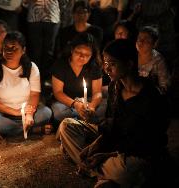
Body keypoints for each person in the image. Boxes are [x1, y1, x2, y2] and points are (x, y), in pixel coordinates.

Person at [57, 39, 170, 187]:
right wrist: (97, 143)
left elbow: (148, 142)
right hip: (116, 141)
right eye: (105, 63)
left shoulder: (150, 96)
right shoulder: (114, 87)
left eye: (113, 64)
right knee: (67, 126)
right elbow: (113, 124)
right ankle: (102, 172)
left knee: (126, 171)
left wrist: (106, 155)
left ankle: (95, 169)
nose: (107, 69)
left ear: (129, 64)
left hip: (138, 152)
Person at [0, 31, 52, 136]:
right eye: (6, 47)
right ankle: (31, 130)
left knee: (46, 113)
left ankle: (9, 130)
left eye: (14, 48)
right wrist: (17, 112)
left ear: (23, 50)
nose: (9, 51)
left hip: (28, 110)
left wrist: (29, 114)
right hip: (3, 113)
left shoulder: (31, 67)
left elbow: (34, 94)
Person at [51, 33, 104, 126]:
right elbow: (58, 92)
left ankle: (76, 122)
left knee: (104, 108)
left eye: (87, 55)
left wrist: (91, 107)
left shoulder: (94, 66)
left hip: (88, 101)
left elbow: (97, 92)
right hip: (67, 103)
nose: (82, 57)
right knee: (59, 112)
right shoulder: (61, 64)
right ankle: (84, 122)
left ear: (92, 55)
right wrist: (75, 104)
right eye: (78, 52)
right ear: (72, 50)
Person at [136, 25, 170, 94]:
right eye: (139, 38)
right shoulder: (131, 54)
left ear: (154, 44)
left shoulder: (158, 60)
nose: (141, 42)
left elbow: (165, 85)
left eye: (146, 39)